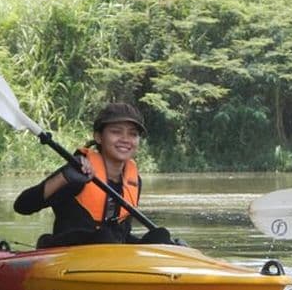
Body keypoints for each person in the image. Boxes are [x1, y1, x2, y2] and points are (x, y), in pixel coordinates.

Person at [14, 102, 173, 248]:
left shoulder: (133, 181)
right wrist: (64, 177)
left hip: (113, 253)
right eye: (116, 132)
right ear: (98, 137)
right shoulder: (78, 172)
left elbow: (123, 233)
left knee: (161, 236)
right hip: (70, 252)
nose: (125, 139)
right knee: (105, 237)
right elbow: (22, 206)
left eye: (133, 134)